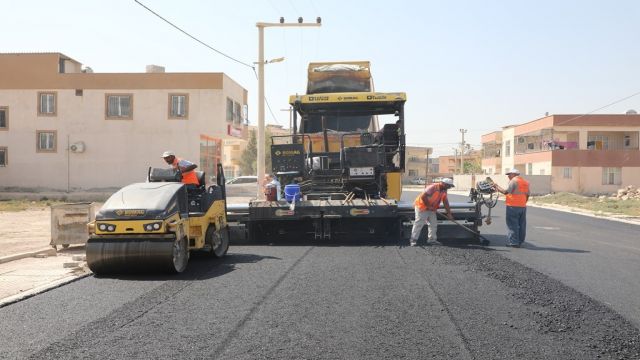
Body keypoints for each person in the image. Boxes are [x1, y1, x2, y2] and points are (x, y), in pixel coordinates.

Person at [409, 178, 455, 246]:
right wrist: (428, 206)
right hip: (422, 207)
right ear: (443, 184)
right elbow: (423, 196)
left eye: (450, 186)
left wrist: (449, 213)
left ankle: (432, 240)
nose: (449, 188)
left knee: (433, 224)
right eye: (449, 186)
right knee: (419, 223)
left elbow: (445, 202)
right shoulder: (433, 187)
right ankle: (413, 240)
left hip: (431, 208)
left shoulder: (444, 190)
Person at [493, 168, 530, 248]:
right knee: (521, 224)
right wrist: (523, 203)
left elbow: (506, 192)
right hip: (523, 207)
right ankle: (520, 241)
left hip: (513, 206)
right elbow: (527, 195)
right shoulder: (525, 182)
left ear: (514, 174)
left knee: (512, 224)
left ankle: (514, 242)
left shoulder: (514, 181)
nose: (508, 176)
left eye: (509, 174)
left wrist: (497, 186)